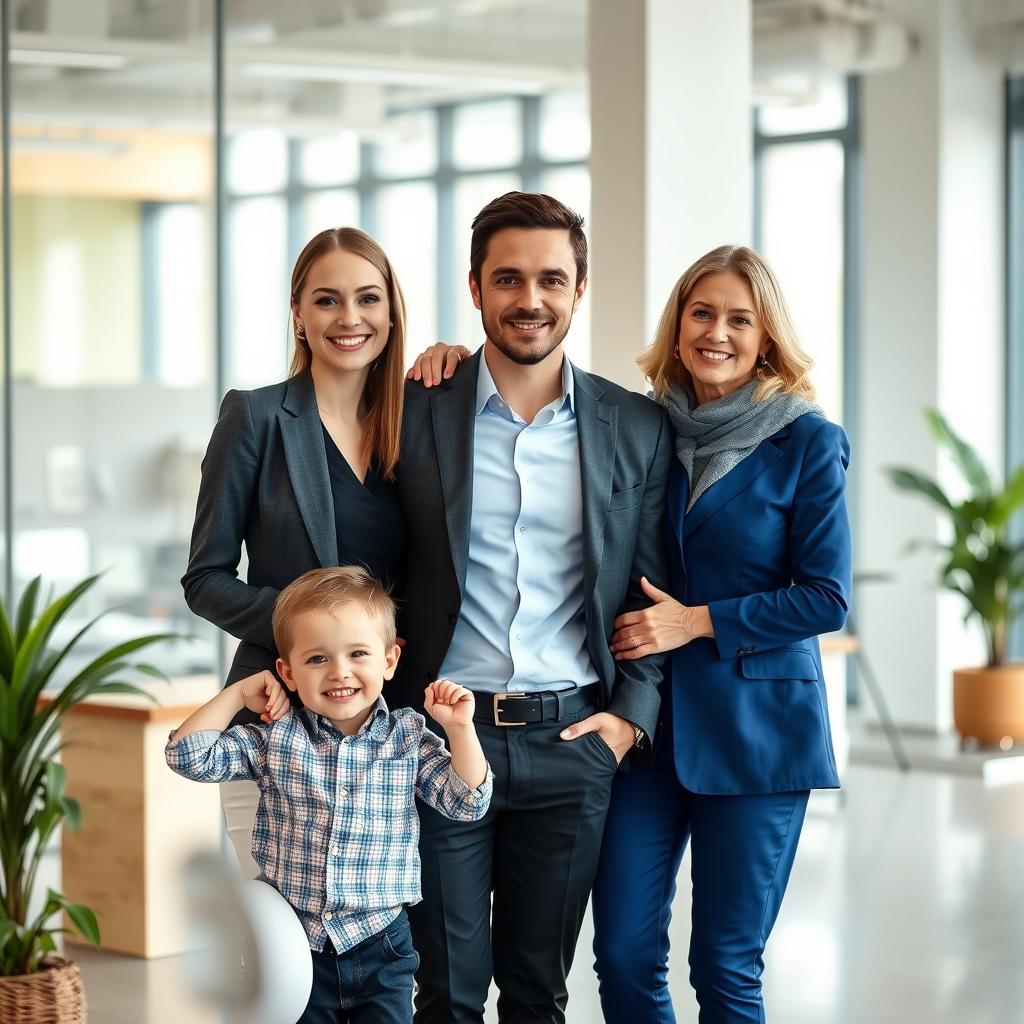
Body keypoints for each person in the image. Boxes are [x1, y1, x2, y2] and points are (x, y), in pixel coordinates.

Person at [393, 191, 672, 1024]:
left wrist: (629, 718)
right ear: (475, 288)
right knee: (444, 989)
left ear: (579, 289)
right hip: (443, 735)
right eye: (507, 278)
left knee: (539, 992)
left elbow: (646, 591)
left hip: (571, 745)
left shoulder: (635, 426)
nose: (530, 299)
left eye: (551, 278)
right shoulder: (415, 411)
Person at [590, 245, 851, 1023]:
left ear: (766, 336)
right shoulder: (643, 430)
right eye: (702, 313)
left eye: (741, 318)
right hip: (649, 729)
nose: (718, 332)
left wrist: (694, 622)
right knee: (624, 957)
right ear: (677, 326)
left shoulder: (806, 440)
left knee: (726, 968)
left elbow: (827, 598)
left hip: (758, 736)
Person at [166, 566, 492, 1024]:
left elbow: (468, 801)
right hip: (293, 947)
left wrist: (460, 729)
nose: (340, 672)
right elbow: (187, 756)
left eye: (358, 653)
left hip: (383, 944)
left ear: (389, 660)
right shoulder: (275, 738)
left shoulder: (408, 737)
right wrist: (238, 693)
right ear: (287, 672)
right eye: (317, 659)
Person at [181, 227, 408, 873]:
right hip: (277, 719)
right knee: (281, 956)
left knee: (380, 953)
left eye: (368, 298)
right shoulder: (255, 417)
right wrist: (308, 636)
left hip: (388, 732)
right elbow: (205, 578)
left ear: (391, 311)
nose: (350, 318)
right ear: (299, 314)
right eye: (327, 300)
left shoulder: (417, 419)